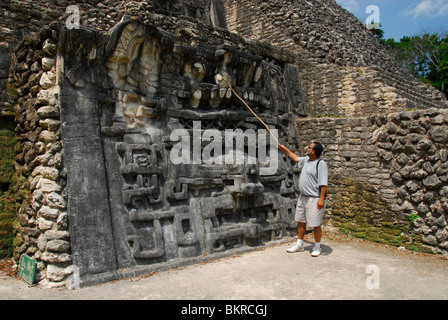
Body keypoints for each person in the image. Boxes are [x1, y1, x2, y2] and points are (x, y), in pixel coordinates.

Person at [278, 142, 328, 257]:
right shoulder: (306, 160)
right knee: (300, 221)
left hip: (314, 198)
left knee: (315, 223)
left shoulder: (321, 164)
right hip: (303, 197)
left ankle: (317, 246)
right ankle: (299, 244)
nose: (307, 148)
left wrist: (321, 199)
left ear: (314, 151)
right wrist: (284, 149)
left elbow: (323, 184)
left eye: (309, 147)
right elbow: (295, 158)